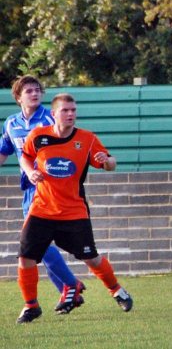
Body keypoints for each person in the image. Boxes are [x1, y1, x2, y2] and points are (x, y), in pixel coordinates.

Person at [16, 93, 133, 324]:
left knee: (92, 258)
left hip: (74, 212)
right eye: (65, 110)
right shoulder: (38, 136)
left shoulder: (87, 139)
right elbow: (25, 157)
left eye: (73, 110)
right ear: (53, 114)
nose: (70, 114)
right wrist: (30, 172)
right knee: (25, 258)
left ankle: (118, 291)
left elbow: (110, 163)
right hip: (41, 210)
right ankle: (31, 306)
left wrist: (108, 161)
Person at [0, 76, 86, 313]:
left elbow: (69, 145)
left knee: (35, 241)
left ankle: (70, 285)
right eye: (29, 91)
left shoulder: (50, 117)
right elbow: (4, 150)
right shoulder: (11, 123)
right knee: (39, 243)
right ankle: (70, 290)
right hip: (28, 188)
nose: (35, 94)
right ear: (18, 97)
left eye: (37, 90)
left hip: (50, 188)